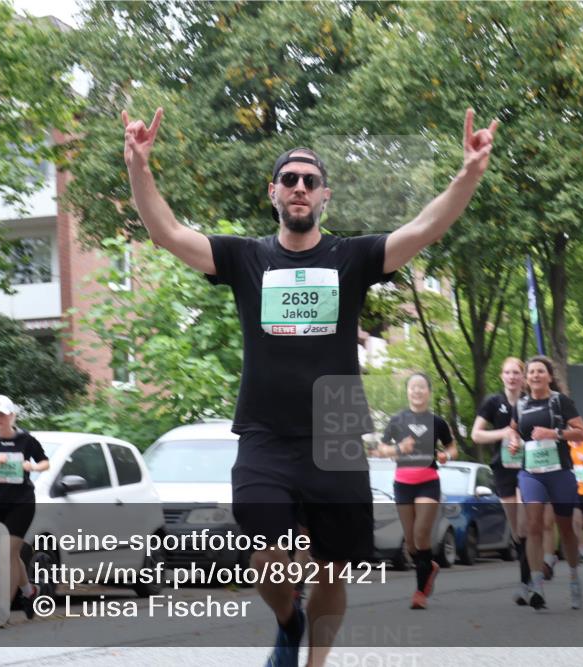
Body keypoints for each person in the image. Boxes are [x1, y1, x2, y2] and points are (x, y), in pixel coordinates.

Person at [122, 106, 496, 667]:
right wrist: (139, 167)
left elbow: (425, 228)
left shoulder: (352, 256)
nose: (300, 188)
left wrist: (467, 172)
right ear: (273, 192)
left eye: (310, 181)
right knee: (268, 561)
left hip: (338, 422)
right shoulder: (245, 257)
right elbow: (165, 231)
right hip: (266, 428)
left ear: (325, 196)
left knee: (330, 567)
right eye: (290, 180)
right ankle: (288, 620)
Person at [505, 355, 583, 610]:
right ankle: (536, 583)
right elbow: (513, 428)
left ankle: (574, 577)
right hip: (531, 472)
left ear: (549, 376)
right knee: (533, 524)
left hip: (559, 472)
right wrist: (513, 440)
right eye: (531, 372)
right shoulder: (520, 405)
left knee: (565, 529)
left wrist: (554, 433)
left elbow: (582, 433)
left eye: (540, 371)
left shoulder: (559, 401)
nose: (535, 376)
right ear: (527, 378)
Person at [377, 372, 457, 610]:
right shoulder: (397, 420)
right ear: (408, 392)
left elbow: (453, 448)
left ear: (429, 392)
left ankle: (419, 593)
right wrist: (398, 448)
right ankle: (429, 566)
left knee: (422, 533)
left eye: (422, 387)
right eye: (413, 387)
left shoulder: (437, 422)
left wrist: (446, 455)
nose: (417, 391)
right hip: (402, 483)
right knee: (411, 543)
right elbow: (381, 449)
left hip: (428, 481)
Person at [0, 395, 49, 620]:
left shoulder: (26, 439)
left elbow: (45, 462)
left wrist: (30, 466)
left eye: (2, 414)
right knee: (8, 556)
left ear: (12, 415)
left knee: (8, 552)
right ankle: (30, 592)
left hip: (22, 503)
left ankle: (2, 610)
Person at [471, 356, 533, 605]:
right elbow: (476, 435)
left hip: (529, 468)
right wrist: (504, 433)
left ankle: (527, 581)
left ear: (523, 376)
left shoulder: (531, 403)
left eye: (516, 372)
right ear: (502, 376)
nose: (512, 377)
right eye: (507, 372)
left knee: (525, 523)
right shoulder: (493, 402)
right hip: (503, 468)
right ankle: (529, 569)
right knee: (517, 530)